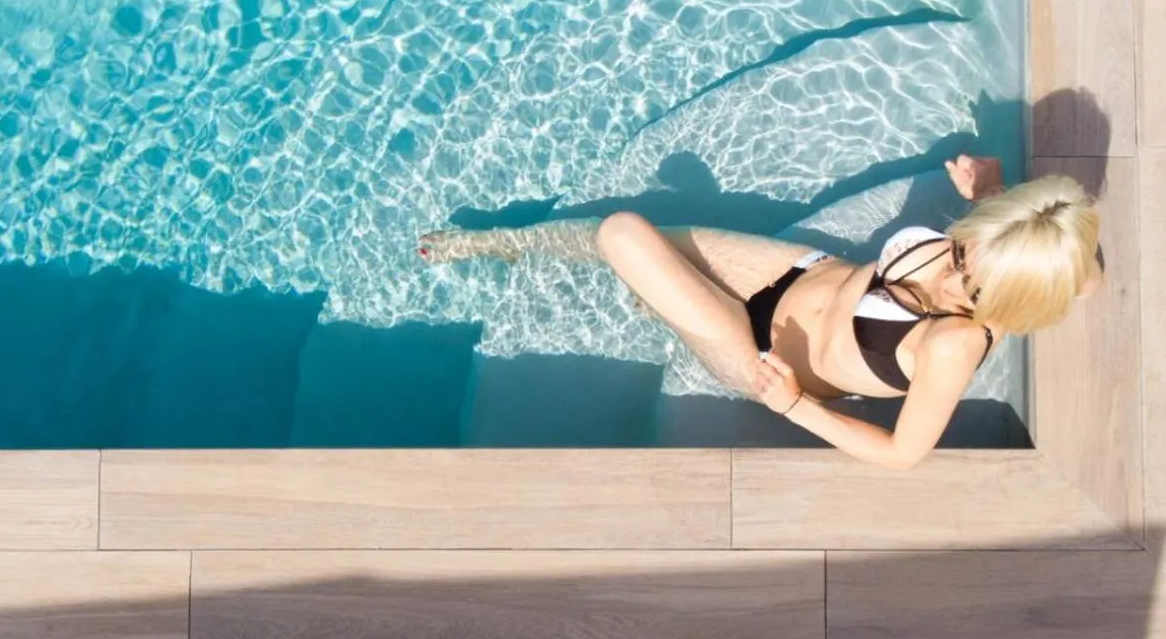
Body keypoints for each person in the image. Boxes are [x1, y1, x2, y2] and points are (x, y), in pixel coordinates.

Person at [418, 156, 1102, 469]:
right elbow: (1086, 276)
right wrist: (993, 192)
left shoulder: (955, 343)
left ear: (1011, 295)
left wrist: (794, 404)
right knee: (626, 240)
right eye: (960, 247)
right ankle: (502, 244)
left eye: (968, 275)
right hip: (793, 271)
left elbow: (902, 453)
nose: (950, 265)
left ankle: (658, 299)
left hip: (758, 357)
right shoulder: (999, 246)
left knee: (622, 233)